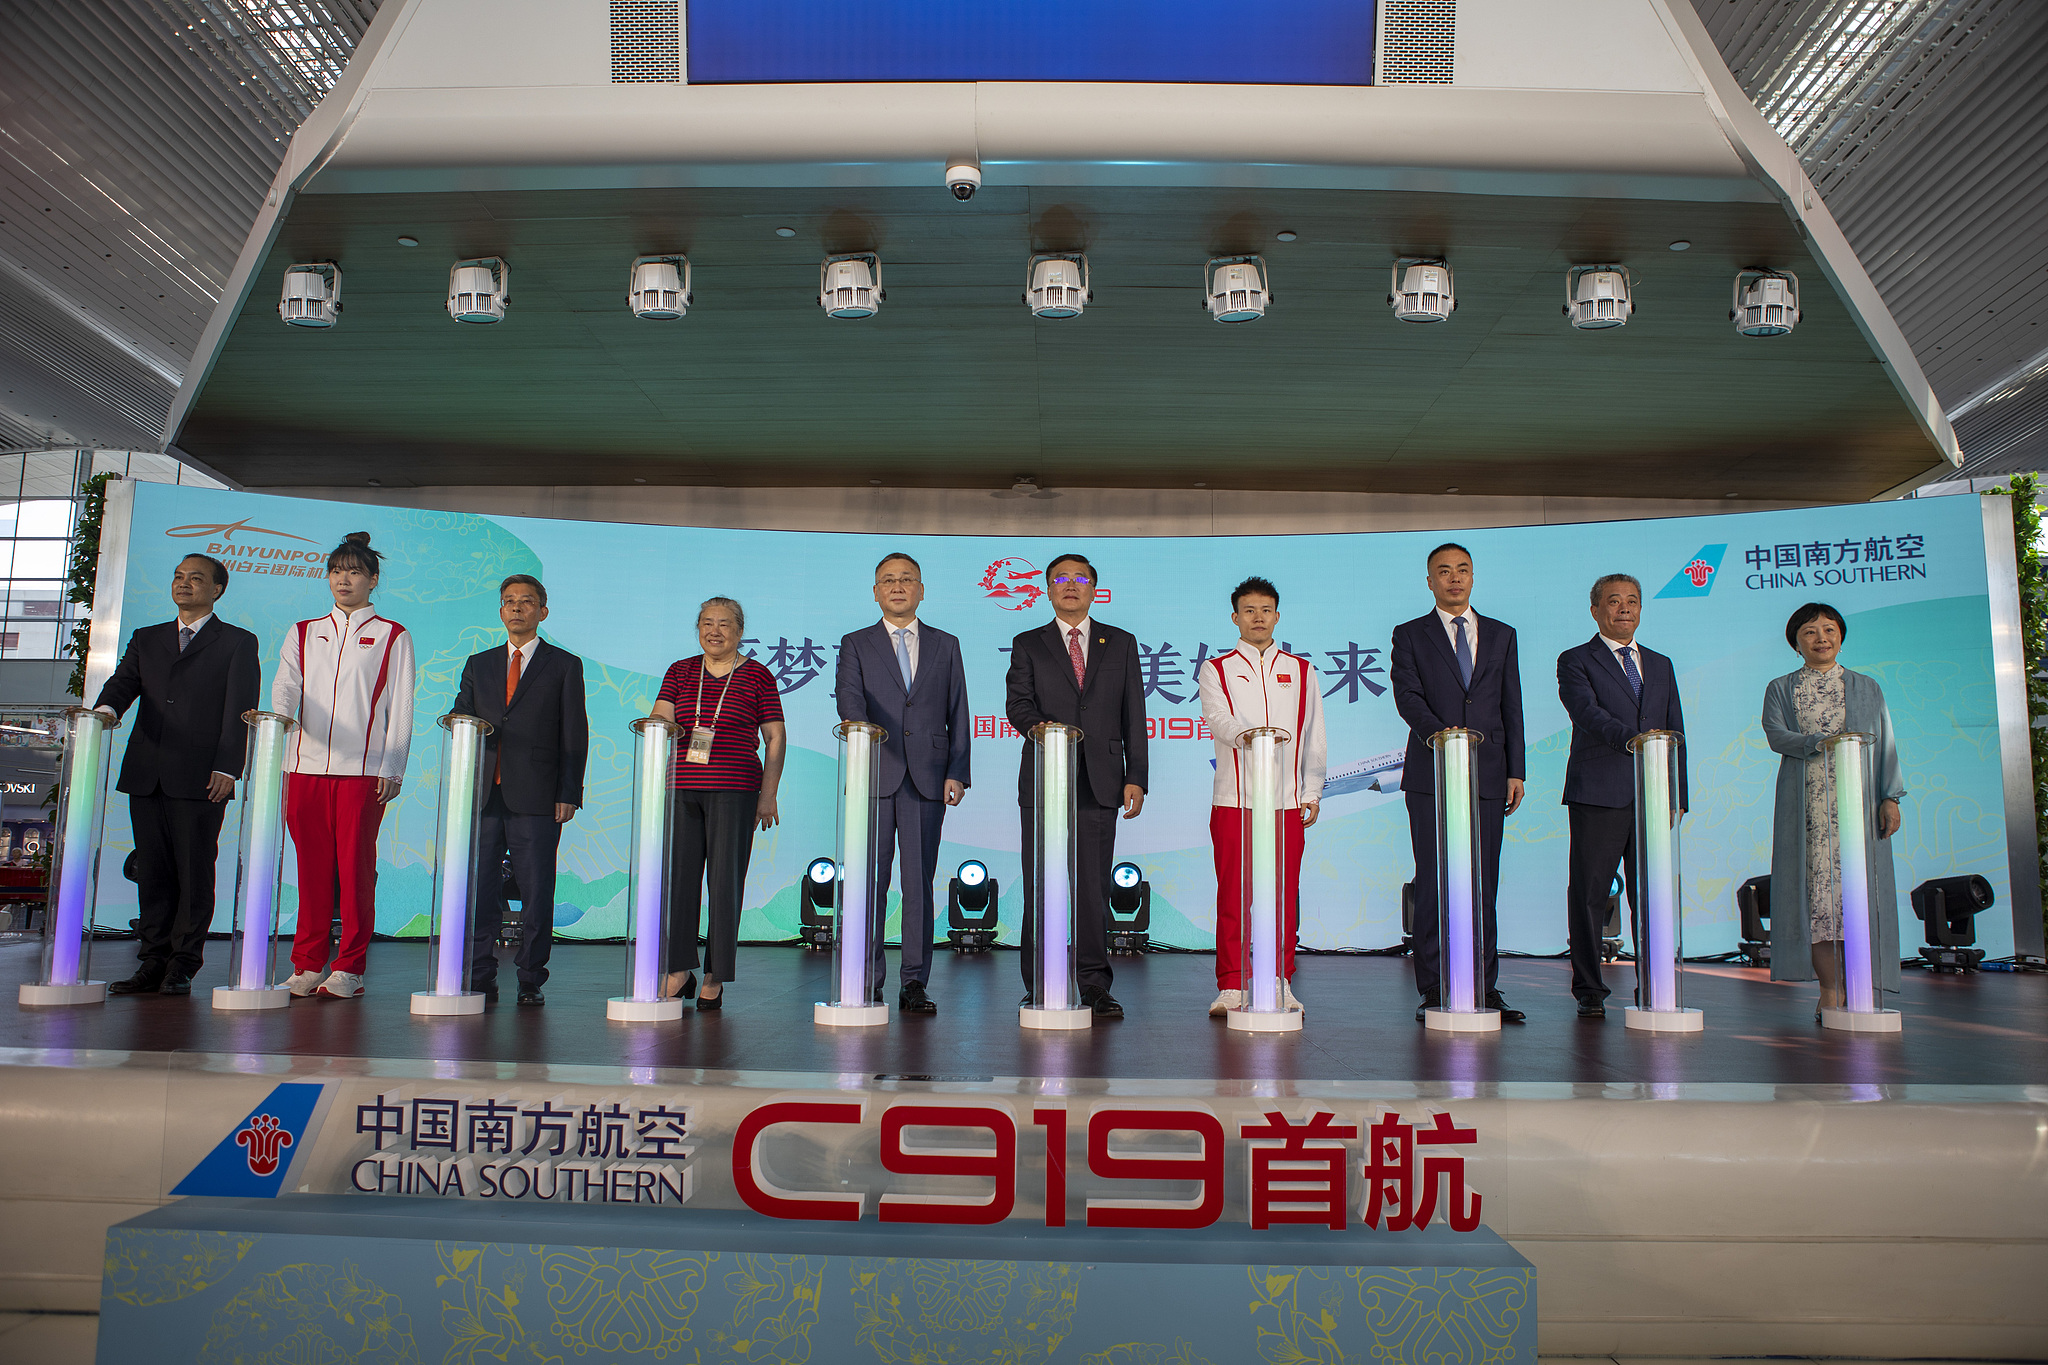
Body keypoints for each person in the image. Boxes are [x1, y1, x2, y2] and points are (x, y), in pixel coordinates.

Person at [92, 554, 260, 996]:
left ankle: (183, 964)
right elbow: (123, 683)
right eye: (178, 576)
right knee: (153, 872)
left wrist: (228, 765)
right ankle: (151, 961)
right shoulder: (147, 638)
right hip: (147, 771)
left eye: (196, 579)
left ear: (217, 589)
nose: (184, 584)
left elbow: (240, 709)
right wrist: (105, 712)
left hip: (203, 776)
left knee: (194, 872)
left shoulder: (237, 642)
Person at [1004, 552, 1148, 1018]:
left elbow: (1134, 716)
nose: (1070, 585)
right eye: (1060, 578)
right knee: (1041, 884)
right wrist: (1047, 730)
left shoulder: (1120, 643)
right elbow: (1018, 706)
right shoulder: (1029, 642)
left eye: (1080, 578)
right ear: (1047, 589)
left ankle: (1094, 984)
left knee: (1092, 888)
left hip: (1102, 781)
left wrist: (1136, 776)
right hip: (1047, 777)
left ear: (1094, 588)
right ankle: (1042, 981)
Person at [1390, 542, 1527, 1024]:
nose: (1454, 578)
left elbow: (1511, 704)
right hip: (1431, 774)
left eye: (1462, 570)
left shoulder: (1502, 634)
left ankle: (1484, 988)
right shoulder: (1410, 634)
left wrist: (1516, 770)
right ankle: (1433, 987)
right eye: (1443, 572)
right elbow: (1407, 697)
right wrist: (1440, 737)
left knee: (1481, 884)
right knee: (1432, 881)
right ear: (1429, 581)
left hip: (1488, 775)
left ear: (1473, 577)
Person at [275, 532, 414, 1000]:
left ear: (373, 580)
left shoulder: (392, 635)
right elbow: (286, 685)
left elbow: (402, 706)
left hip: (363, 773)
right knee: (311, 870)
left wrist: (392, 767)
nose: (344, 579)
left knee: (355, 872)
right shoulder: (302, 630)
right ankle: (307, 964)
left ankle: (350, 967)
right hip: (304, 768)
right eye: (337, 571)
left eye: (354, 571)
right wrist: (282, 719)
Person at [834, 552, 971, 1015]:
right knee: (868, 883)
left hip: (928, 778)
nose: (897, 586)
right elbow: (850, 697)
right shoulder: (855, 643)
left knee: (918, 884)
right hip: (874, 772)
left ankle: (914, 982)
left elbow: (958, 713)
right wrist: (860, 730)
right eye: (888, 580)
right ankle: (866, 977)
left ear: (921, 589)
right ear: (875, 591)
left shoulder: (945, 644)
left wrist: (957, 770)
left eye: (907, 579)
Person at [1761, 602, 1906, 1017]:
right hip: (1808, 809)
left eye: (1829, 629)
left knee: (1857, 897)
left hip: (1857, 810)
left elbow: (1886, 744)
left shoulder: (1867, 686)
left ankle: (1859, 986)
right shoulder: (1781, 688)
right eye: (1809, 631)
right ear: (1796, 642)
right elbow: (1776, 735)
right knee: (1818, 904)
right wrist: (1819, 744)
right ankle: (1829, 991)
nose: (1821, 638)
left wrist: (1889, 796)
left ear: (1841, 637)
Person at [451, 574, 589, 1007]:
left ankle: (530, 977)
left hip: (537, 795)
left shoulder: (564, 665)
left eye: (526, 602)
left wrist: (569, 791)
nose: (516, 608)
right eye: (509, 601)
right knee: (480, 888)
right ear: (500, 611)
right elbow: (463, 713)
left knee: (535, 892)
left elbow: (574, 733)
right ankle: (479, 973)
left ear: (542, 612)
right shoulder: (480, 663)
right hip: (482, 795)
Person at [1556, 573, 1688, 1019]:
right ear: (1596, 610)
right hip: (1599, 792)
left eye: (1632, 601)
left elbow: (1676, 729)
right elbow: (1586, 714)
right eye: (1614, 602)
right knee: (1591, 894)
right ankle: (1589, 988)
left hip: (1652, 795)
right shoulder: (1576, 660)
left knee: (1651, 896)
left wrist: (1676, 791)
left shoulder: (1662, 663)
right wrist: (1636, 740)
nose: (1624, 609)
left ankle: (1655, 983)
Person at [1197, 576, 1326, 1018]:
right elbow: (1217, 718)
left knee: (1284, 896)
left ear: (1277, 616)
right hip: (1234, 800)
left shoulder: (1302, 670)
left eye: (1265, 610)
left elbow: (1314, 737)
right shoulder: (1216, 669)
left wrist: (1311, 790)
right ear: (1235, 617)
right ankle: (1232, 984)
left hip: (1286, 803)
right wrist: (1249, 736)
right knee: (1233, 893)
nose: (1257, 617)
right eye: (1248, 610)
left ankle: (1278, 979)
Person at [650, 597, 786, 1009]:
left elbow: (775, 738)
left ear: (740, 631)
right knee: (680, 882)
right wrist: (658, 725)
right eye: (707, 623)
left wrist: (768, 793)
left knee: (725, 884)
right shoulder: (680, 670)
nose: (715, 631)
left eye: (724, 624)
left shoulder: (759, 675)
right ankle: (679, 969)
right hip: (681, 788)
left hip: (736, 789)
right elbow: (660, 718)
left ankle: (714, 974)